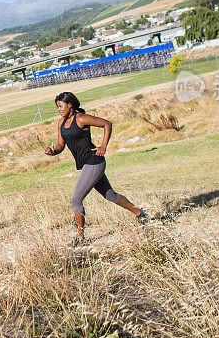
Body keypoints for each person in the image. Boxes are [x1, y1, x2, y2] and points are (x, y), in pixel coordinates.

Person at [44, 91, 147, 246]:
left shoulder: (81, 118)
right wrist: (53, 151)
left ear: (70, 104)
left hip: (94, 161)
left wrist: (104, 146)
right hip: (86, 164)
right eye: (57, 107)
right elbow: (60, 145)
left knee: (76, 199)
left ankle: (80, 238)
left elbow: (107, 124)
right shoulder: (61, 123)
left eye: (61, 106)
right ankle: (141, 214)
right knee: (110, 195)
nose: (59, 109)